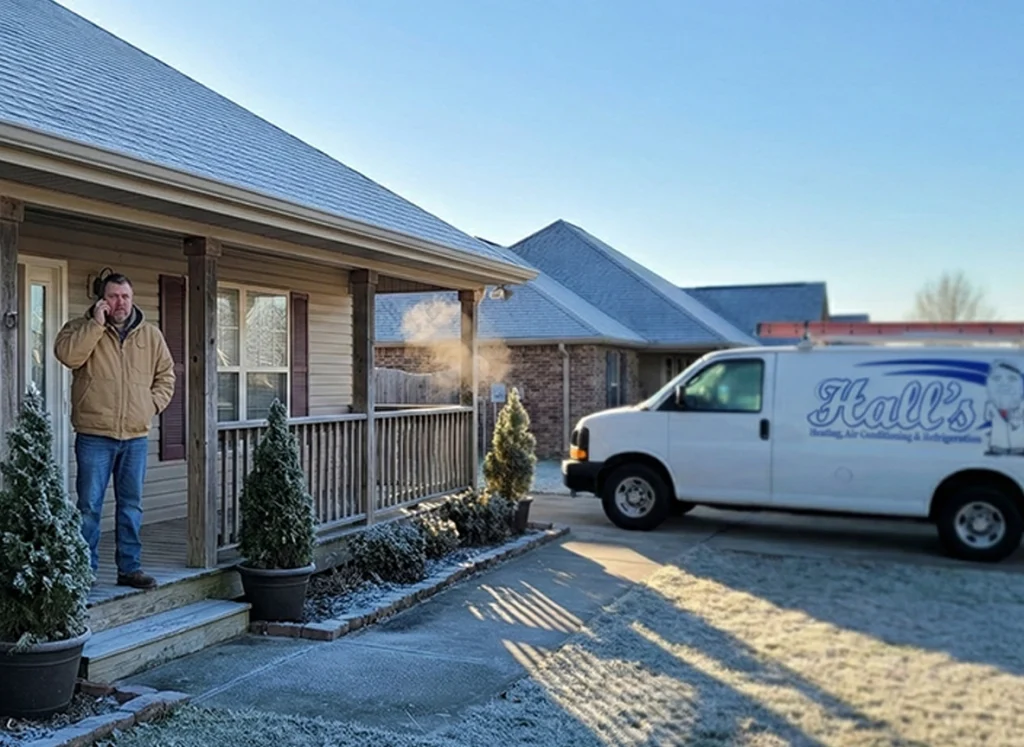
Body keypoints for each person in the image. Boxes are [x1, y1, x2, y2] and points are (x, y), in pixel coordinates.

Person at [54, 273, 175, 589]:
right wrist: (95, 325)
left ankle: (129, 569)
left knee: (131, 505)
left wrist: (149, 405)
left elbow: (166, 377)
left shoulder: (151, 336)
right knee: (89, 507)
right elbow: (68, 356)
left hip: (135, 435)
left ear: (132, 299)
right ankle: (85, 570)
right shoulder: (79, 329)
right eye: (113, 296)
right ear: (101, 299)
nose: (120, 302)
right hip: (94, 434)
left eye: (125, 296)